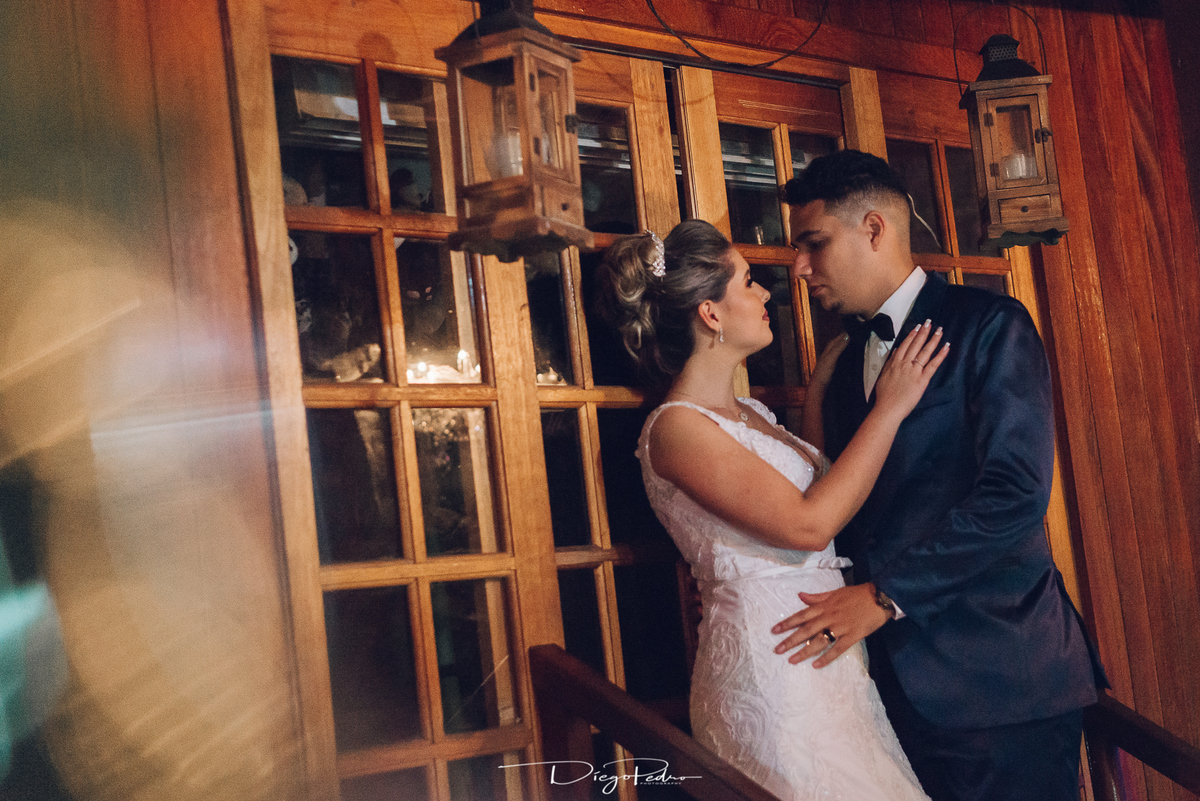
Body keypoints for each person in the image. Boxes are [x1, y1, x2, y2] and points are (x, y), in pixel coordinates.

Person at [771, 149, 1106, 801]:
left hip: (1003, 685)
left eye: (814, 244)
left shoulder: (992, 326)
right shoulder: (842, 362)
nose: (799, 267)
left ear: (874, 229)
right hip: (887, 696)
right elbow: (842, 512)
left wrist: (884, 596)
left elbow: (1015, 495)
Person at [595, 218, 948, 800]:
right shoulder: (677, 428)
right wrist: (890, 407)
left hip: (825, 657)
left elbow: (813, 484)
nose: (765, 293)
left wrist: (818, 391)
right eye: (747, 281)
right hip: (771, 667)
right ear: (710, 313)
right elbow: (808, 524)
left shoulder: (751, 414)